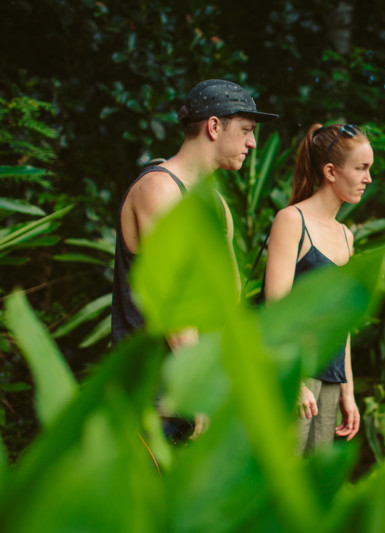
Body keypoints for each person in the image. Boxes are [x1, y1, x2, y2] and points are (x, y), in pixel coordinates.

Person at [111, 79, 278, 441]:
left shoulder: (216, 206)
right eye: (247, 131)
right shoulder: (159, 189)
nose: (253, 143)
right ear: (214, 126)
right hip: (153, 392)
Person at [263, 123, 372, 455]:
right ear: (330, 171)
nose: (368, 179)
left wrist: (347, 392)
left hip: (330, 381)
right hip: (295, 378)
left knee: (312, 492)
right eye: (361, 168)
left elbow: (343, 323)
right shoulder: (292, 220)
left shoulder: (346, 236)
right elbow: (276, 310)